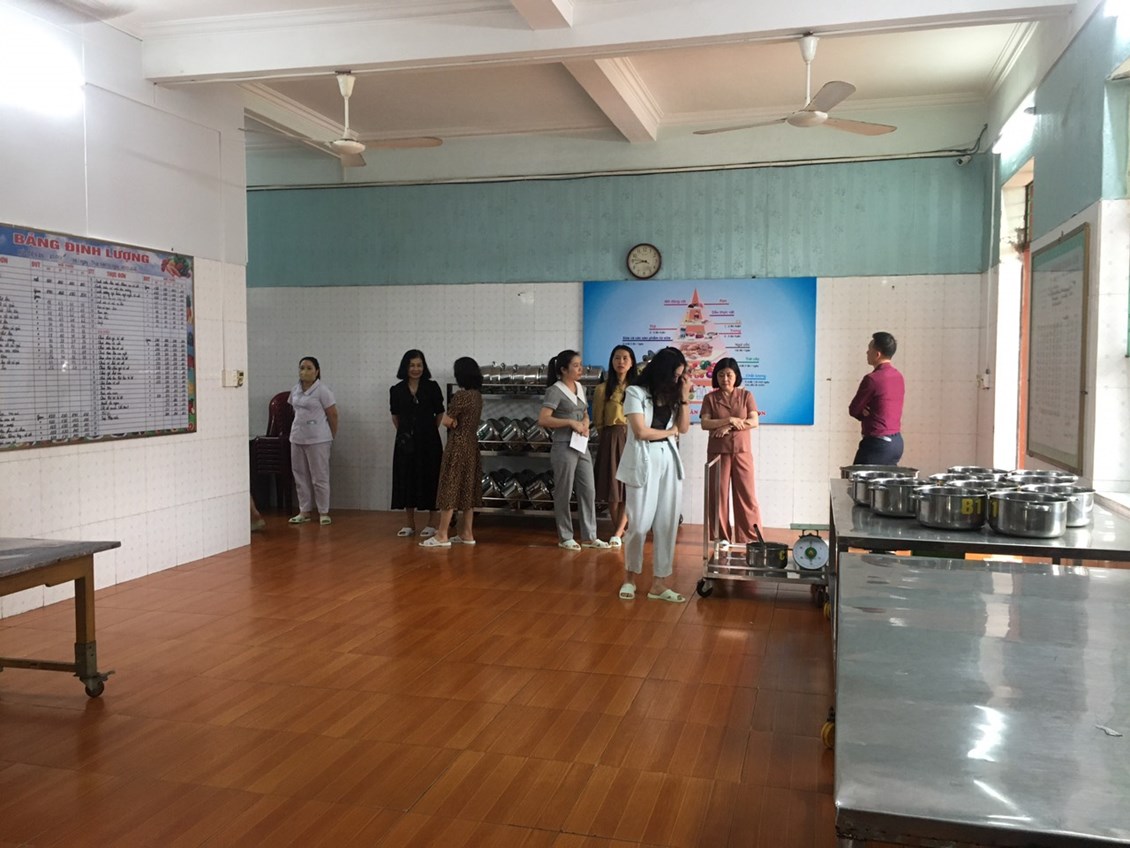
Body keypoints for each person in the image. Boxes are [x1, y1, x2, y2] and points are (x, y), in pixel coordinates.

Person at [616, 346, 692, 602]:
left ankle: (659, 583)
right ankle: (629, 578)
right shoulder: (635, 392)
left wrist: (684, 397)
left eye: (679, 376)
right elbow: (641, 432)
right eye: (674, 375)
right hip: (643, 458)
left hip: (668, 458)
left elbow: (684, 428)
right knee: (638, 524)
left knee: (667, 523)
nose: (676, 380)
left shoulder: (673, 395)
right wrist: (670, 433)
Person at [538, 349, 610, 551]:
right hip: (563, 445)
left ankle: (590, 536)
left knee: (588, 490)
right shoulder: (555, 390)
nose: (581, 369)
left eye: (580, 365)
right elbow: (543, 419)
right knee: (564, 491)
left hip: (581, 444)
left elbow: (584, 412)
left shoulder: (580, 387)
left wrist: (585, 421)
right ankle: (565, 536)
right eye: (576, 366)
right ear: (563, 369)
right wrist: (570, 422)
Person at [420, 356, 484, 548]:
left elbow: (446, 421)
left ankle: (442, 534)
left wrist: (453, 422)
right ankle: (467, 533)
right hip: (472, 444)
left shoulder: (461, 396)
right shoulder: (477, 396)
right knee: (467, 488)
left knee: (450, 486)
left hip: (457, 445)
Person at [700, 357, 762, 545]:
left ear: (736, 376)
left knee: (747, 495)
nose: (725, 379)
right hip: (718, 453)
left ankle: (750, 537)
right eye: (720, 375)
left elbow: (754, 422)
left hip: (742, 452)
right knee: (718, 495)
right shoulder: (710, 398)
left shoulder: (746, 396)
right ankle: (721, 537)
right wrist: (729, 420)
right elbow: (705, 423)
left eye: (729, 374)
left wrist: (729, 426)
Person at [390, 349, 444, 538]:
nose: (416, 369)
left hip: (429, 441)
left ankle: (432, 523)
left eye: (419, 365)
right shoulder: (396, 389)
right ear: (405, 367)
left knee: (431, 477)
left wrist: (428, 430)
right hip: (405, 442)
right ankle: (409, 523)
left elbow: (439, 413)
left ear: (424, 367)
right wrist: (405, 434)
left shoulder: (432, 387)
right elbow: (395, 416)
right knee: (406, 478)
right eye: (412, 365)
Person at [592, 345, 636, 548]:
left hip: (634, 437)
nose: (621, 362)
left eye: (625, 358)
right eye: (617, 358)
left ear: (632, 362)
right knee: (613, 487)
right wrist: (610, 439)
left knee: (629, 487)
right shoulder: (602, 389)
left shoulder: (637, 389)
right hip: (611, 437)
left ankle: (618, 532)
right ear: (611, 361)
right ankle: (620, 530)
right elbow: (599, 420)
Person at [287, 356, 338, 525]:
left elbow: (333, 414)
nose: (305, 371)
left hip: (318, 439)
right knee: (300, 475)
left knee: (319, 477)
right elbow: (294, 411)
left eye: (309, 368)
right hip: (297, 437)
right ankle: (304, 511)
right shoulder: (295, 389)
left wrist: (331, 435)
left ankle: (323, 512)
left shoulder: (323, 390)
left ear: (317, 371)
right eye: (302, 368)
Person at [849, 331, 905, 465]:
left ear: (877, 354)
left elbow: (854, 409)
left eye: (869, 349)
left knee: (856, 478)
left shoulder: (872, 379)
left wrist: (863, 412)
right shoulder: (898, 376)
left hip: (877, 444)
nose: (867, 352)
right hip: (896, 443)